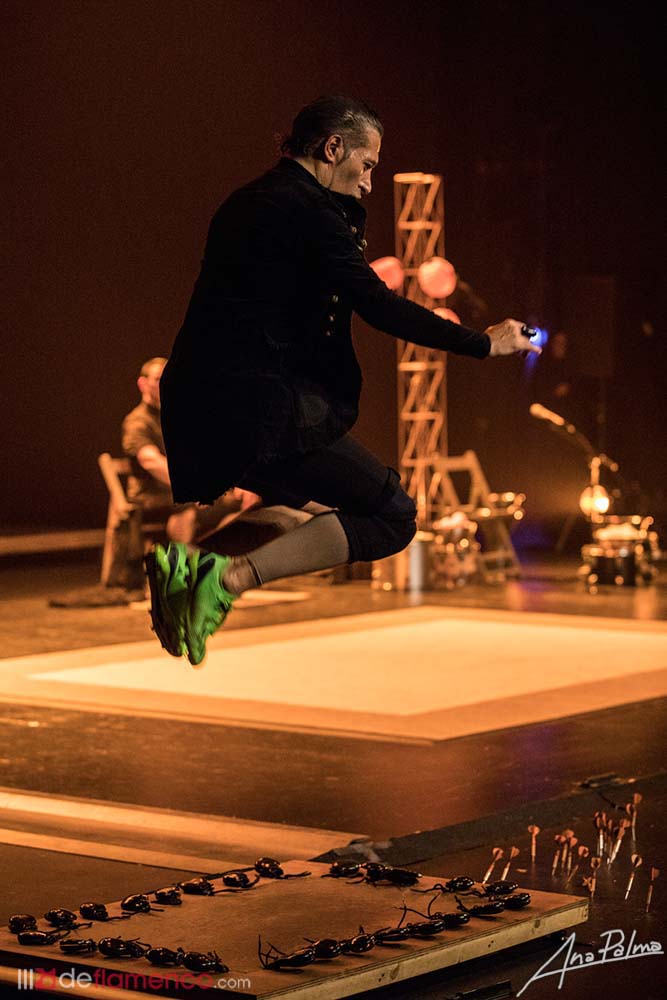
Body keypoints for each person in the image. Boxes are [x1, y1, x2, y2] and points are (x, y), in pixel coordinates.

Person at [148, 95, 541, 666]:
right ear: (333, 148)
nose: (369, 183)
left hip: (203, 401)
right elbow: (378, 305)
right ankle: (223, 579)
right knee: (392, 516)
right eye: (368, 164)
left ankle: (187, 567)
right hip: (260, 406)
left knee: (295, 514)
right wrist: (484, 342)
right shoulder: (307, 212)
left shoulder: (248, 201)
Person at [122, 357, 256, 544]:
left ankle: (219, 553)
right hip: (155, 498)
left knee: (246, 500)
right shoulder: (138, 422)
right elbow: (151, 461)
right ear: (142, 384)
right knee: (187, 506)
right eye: (159, 379)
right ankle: (182, 558)